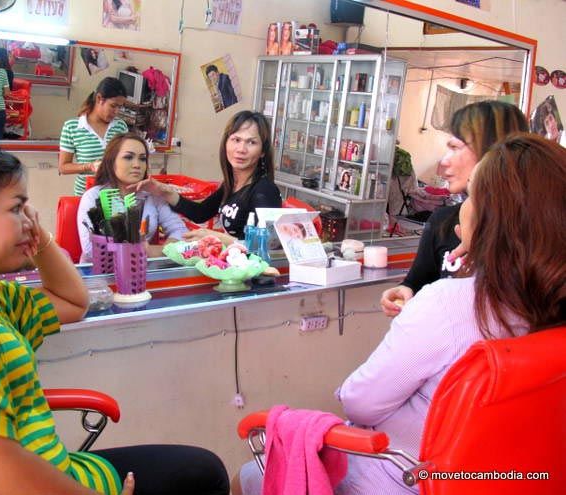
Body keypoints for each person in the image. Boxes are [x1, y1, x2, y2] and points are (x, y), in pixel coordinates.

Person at [234, 133, 566, 495]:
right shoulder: (546, 308)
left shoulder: (451, 304)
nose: (463, 207)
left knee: (248, 475)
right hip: (510, 479)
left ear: (494, 218)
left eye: (471, 196)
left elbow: (360, 403)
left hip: (405, 476)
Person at [0, 132, 231, 495]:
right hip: (25, 480)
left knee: (202, 468)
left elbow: (74, 304)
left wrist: (40, 238)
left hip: (50, 466)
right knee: (205, 476)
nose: (29, 220)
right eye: (16, 209)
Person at [380, 100, 528, 317]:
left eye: (455, 148)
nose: (444, 161)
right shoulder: (443, 221)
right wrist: (404, 291)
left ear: (493, 152)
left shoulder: (535, 227)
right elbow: (416, 283)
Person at [130, 110, 282, 244]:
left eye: (251, 142)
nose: (241, 149)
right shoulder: (232, 184)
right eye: (236, 140)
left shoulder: (265, 191)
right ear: (226, 143)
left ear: (263, 151)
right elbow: (201, 213)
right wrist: (164, 191)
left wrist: (215, 237)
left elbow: (263, 248)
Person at [77, 133, 188, 260]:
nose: (137, 165)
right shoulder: (93, 196)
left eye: (142, 159)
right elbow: (90, 250)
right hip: (101, 272)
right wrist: (131, 250)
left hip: (140, 269)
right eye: (128, 157)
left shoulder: (152, 196)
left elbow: (181, 232)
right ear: (111, 162)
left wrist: (154, 250)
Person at [59, 76, 129, 196]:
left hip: (115, 196)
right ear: (99, 99)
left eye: (120, 107)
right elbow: (63, 167)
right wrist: (89, 166)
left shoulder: (120, 126)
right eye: (113, 106)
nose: (117, 111)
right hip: (85, 195)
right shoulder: (72, 127)